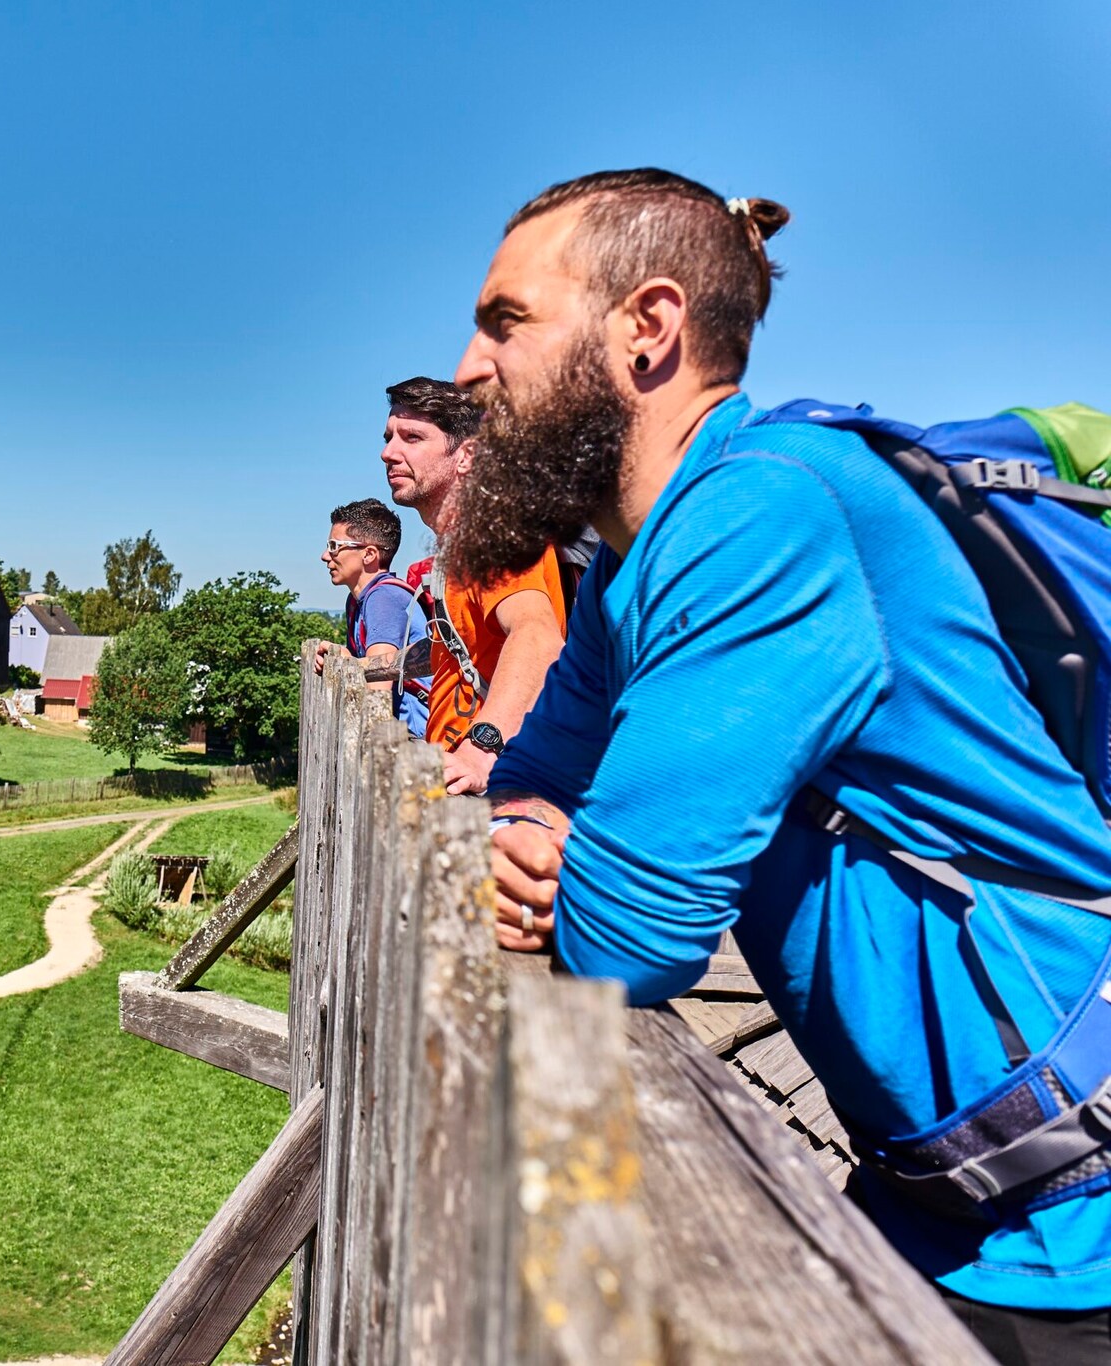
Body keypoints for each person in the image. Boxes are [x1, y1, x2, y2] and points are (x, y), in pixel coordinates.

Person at [457, 167, 1111, 1363]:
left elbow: (623, 940)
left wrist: (574, 858)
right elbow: (530, 776)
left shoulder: (762, 512)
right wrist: (545, 829)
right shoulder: (630, 568)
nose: (467, 367)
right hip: (942, 1203)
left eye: (505, 322)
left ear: (644, 329)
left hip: (1072, 1228)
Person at [380, 377, 566, 794]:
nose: (389, 452)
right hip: (465, 787)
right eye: (390, 437)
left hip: (499, 792)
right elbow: (457, 645)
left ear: (466, 456)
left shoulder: (495, 536)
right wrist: (369, 668)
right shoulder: (458, 543)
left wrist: (481, 750)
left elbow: (538, 637)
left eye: (412, 437)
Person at [324, 497, 430, 738]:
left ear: (369, 554)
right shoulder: (359, 601)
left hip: (417, 738)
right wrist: (345, 658)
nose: (325, 556)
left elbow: (378, 688)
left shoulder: (383, 597)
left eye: (334, 546)